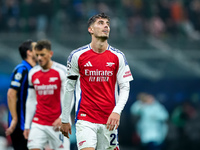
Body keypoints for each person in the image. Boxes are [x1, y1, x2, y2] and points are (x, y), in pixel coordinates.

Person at [60, 13, 133, 150]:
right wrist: (65, 119)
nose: (106, 26)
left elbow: (125, 87)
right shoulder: (77, 56)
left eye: (107, 24)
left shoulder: (118, 56)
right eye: (101, 23)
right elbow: (69, 88)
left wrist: (117, 111)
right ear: (90, 29)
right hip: (85, 118)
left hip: (109, 120)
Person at [23, 40, 71, 150]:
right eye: (37, 55)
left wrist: (63, 118)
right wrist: (27, 126)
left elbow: (68, 97)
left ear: (50, 54)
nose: (39, 58)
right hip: (38, 123)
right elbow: (30, 100)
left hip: (58, 123)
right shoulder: (33, 74)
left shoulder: (61, 71)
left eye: (42, 55)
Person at [5, 40, 37, 150]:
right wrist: (14, 119)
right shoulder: (22, 70)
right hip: (21, 125)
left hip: (32, 124)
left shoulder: (34, 71)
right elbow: (11, 94)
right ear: (29, 52)